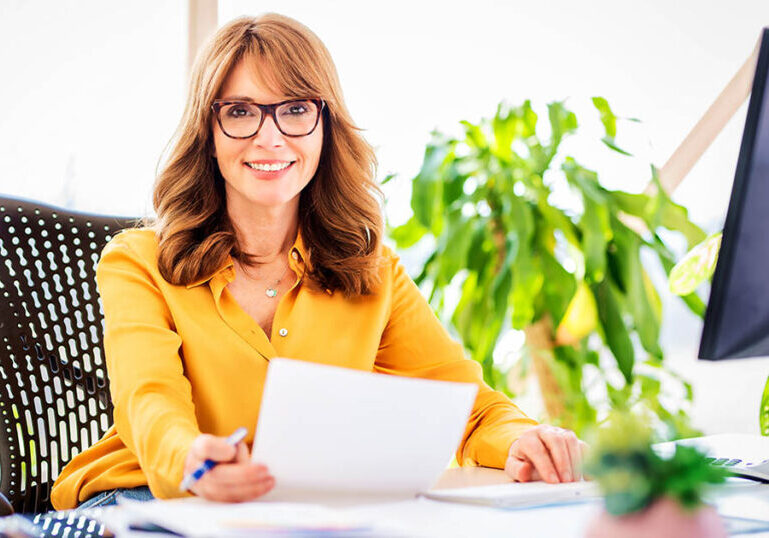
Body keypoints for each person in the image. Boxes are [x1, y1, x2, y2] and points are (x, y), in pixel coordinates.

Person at [50, 13, 586, 510]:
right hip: (146, 496)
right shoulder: (138, 262)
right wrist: (192, 461)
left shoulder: (371, 272)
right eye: (239, 111)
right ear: (207, 133)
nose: (269, 136)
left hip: (296, 509)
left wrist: (523, 439)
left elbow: (467, 404)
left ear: (325, 126)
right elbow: (150, 400)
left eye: (296, 110)